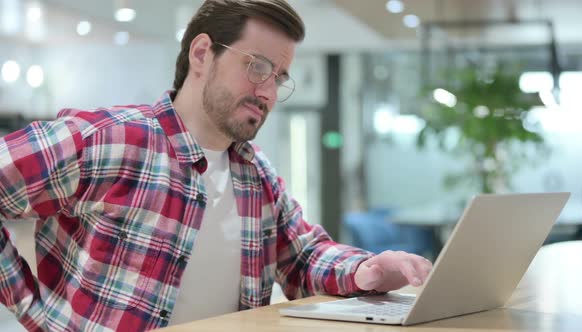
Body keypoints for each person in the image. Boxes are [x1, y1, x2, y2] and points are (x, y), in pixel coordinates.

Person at [0, 0, 432, 330]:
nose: (267, 91)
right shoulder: (108, 139)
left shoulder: (256, 174)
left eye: (278, 77)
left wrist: (367, 270)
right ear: (203, 53)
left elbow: (302, 258)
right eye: (257, 66)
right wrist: (38, 312)